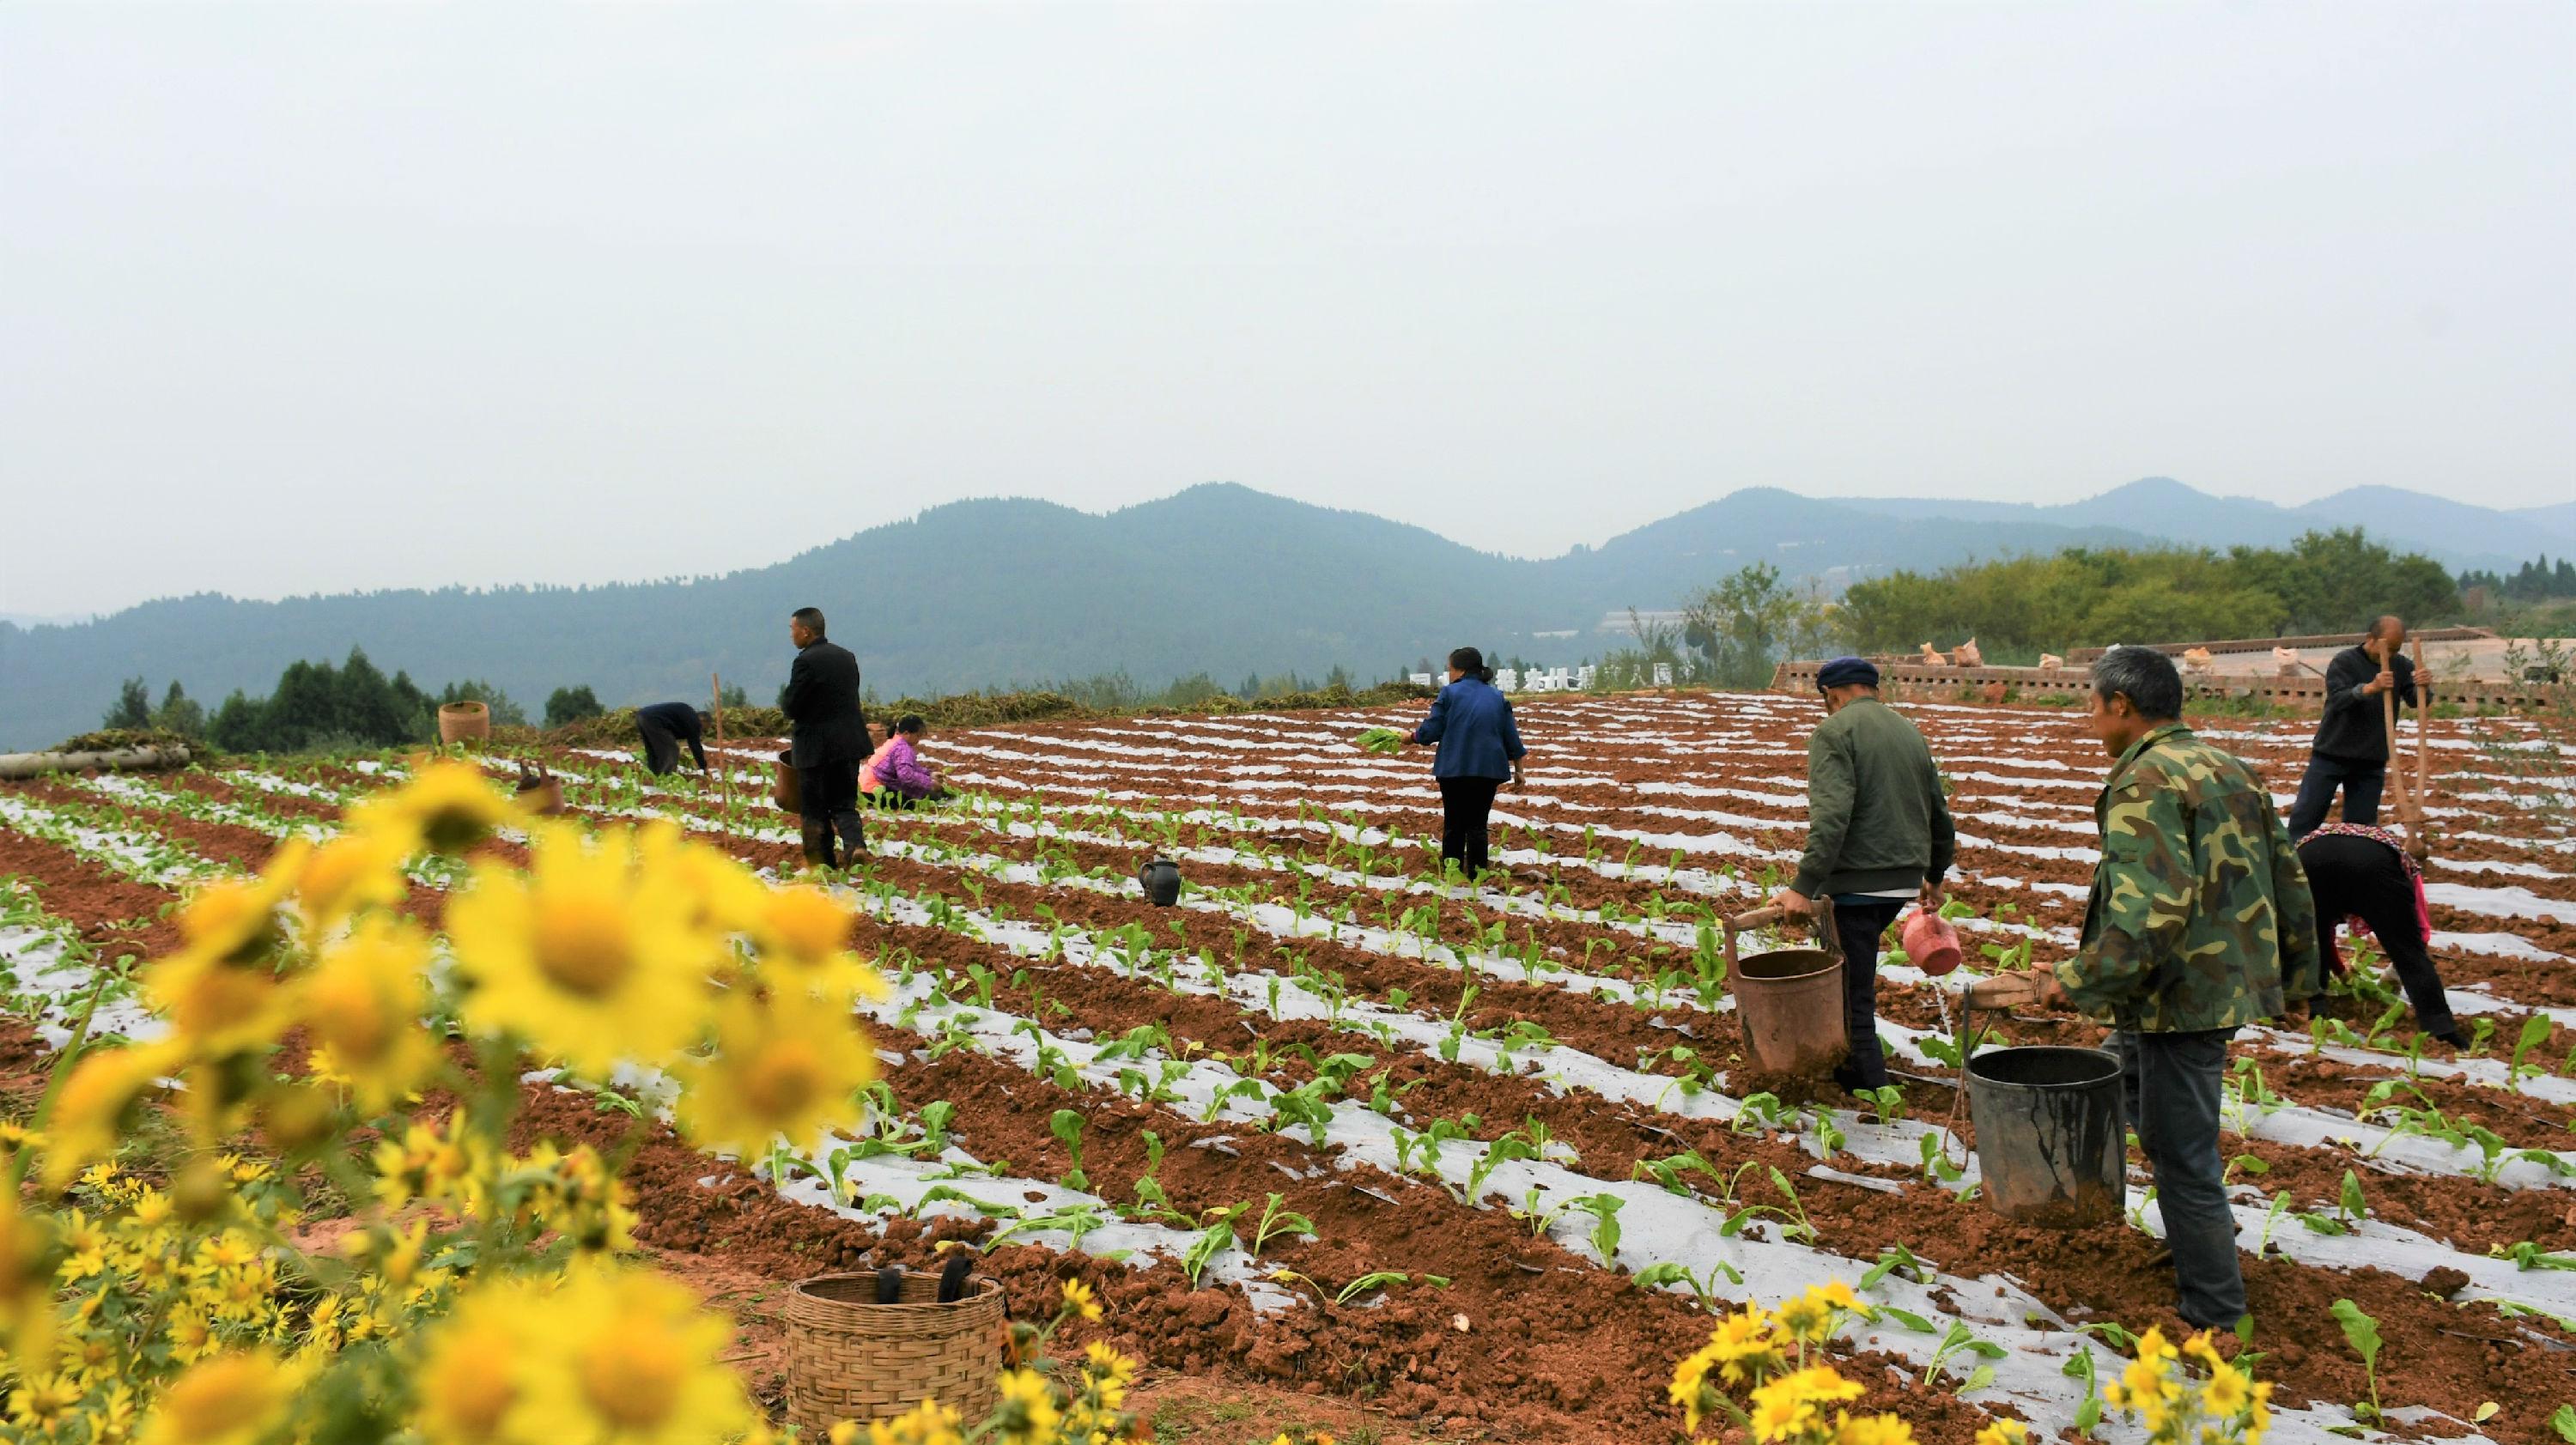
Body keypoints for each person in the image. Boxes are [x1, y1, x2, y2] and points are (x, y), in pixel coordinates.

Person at [2017, 647, 2319, 1331]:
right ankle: (2196, 1241)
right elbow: (2289, 878)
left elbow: (2149, 912)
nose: (2090, 719)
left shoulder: (2143, 781)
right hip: (2217, 982)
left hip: (2180, 996)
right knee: (2118, 1077)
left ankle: (2214, 1309)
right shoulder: (2229, 766)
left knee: (2184, 1157)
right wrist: (2299, 978)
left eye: (2093, 706)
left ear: (2122, 706)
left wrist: (2075, 979)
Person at [1769, 656, 1956, 1096]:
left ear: (1832, 696)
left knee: (1851, 994)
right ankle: (1850, 1071)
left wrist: (1802, 886)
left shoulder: (1833, 731)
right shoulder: (1908, 731)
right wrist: (1934, 874)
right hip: (1901, 881)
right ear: (1874, 690)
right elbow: (1939, 814)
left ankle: (1868, 1088)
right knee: (1852, 981)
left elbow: (1832, 817)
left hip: (1856, 885)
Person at [2296, 823, 2464, 1046]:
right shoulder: (2408, 868)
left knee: (2311, 938)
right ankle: (2441, 1029)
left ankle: (2314, 1009)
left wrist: (2339, 971)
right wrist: (2401, 966)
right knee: (2408, 952)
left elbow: (2322, 938)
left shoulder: (2325, 839)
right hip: (2373, 866)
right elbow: (2418, 933)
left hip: (2309, 858)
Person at [1396, 647, 1525, 880]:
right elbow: (1511, 736)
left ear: (1460, 670)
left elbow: (1432, 729)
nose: (1449, 673)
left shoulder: (1450, 694)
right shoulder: (1497, 696)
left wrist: (1412, 738)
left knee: (1454, 823)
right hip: (1488, 770)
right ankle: (1478, 877)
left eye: (1450, 669)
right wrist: (1520, 771)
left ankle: (1452, 875)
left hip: (1455, 769)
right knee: (1477, 824)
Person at [2285, 616, 2419, 835]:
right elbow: (2339, 699)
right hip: (2332, 752)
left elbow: (2415, 700)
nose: (2390, 654)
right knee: (2307, 816)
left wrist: (2423, 686)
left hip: (2371, 758)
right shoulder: (2345, 661)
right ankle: (2292, 861)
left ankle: (2353, 866)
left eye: (2396, 649)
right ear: (2370, 639)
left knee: (2361, 826)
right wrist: (2371, 687)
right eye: (2387, 647)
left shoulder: (2402, 665)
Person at [781, 607, 869, 869]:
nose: (791, 635)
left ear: (806, 631)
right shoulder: (847, 657)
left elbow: (792, 706)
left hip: (816, 747)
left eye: (792, 629)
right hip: (849, 741)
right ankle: (856, 847)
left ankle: (821, 862)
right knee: (844, 803)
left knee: (814, 807)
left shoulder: (805, 661)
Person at [862, 714, 951, 809]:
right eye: (918, 736)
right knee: (926, 798)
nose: (918, 740)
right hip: (876, 791)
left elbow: (909, 767)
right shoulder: (902, 748)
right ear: (907, 733)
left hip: (865, 789)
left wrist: (930, 774)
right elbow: (906, 775)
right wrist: (930, 784)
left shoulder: (893, 741)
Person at [634, 702, 709, 776]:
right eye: (706, 728)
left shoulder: (688, 715)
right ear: (703, 721)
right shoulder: (694, 721)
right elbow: (695, 745)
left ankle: (654, 774)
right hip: (654, 720)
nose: (702, 731)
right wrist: (703, 766)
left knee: (652, 749)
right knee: (672, 750)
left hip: (641, 715)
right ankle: (667, 777)